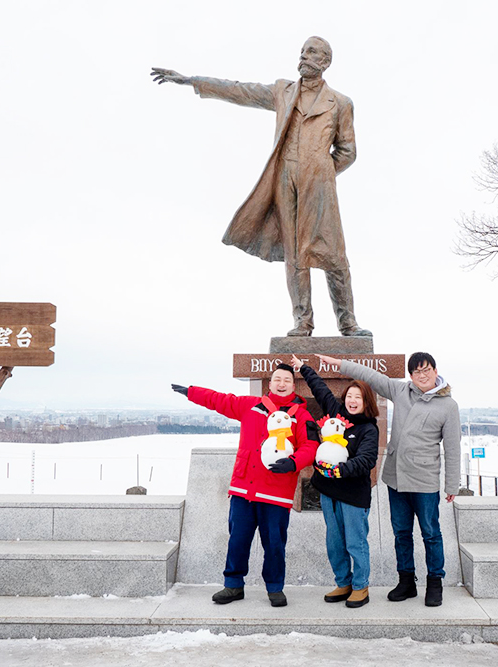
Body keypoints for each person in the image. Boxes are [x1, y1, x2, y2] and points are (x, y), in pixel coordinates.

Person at [151, 37, 371, 338]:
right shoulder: (283, 91)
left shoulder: (341, 103)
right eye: (303, 51)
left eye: (311, 52)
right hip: (284, 182)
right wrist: (192, 80)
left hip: (319, 187)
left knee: (333, 254)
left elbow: (348, 151)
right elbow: (241, 90)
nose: (303, 56)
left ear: (325, 61)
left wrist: (321, 173)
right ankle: (302, 322)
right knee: (294, 255)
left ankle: (348, 324)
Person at [316, 352, 460, 607]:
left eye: (426, 370)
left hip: (424, 479)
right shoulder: (402, 391)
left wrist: (451, 484)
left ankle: (435, 581)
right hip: (396, 477)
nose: (422, 375)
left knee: (430, 533)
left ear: (436, 371)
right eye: (416, 372)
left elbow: (452, 447)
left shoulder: (448, 406)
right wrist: (339, 364)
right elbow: (370, 376)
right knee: (401, 532)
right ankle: (406, 581)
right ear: (411, 376)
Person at [171, 364, 318, 607]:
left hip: (276, 493)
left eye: (286, 380)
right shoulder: (251, 406)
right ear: (269, 384)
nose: (281, 384)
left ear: (294, 386)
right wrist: (192, 392)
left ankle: (274, 588)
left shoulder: (302, 416)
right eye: (277, 379)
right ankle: (233, 585)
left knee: (274, 544)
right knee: (237, 540)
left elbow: (310, 447)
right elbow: (221, 400)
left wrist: (292, 463)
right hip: (244, 490)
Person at [290, 354, 378, 608]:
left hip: (353, 495)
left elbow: (366, 460)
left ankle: (361, 586)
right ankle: (344, 582)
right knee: (335, 542)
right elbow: (320, 390)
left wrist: (340, 470)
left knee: (355, 541)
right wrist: (303, 368)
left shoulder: (368, 429)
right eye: (349, 396)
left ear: (366, 402)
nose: (352, 401)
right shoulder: (337, 414)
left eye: (357, 398)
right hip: (329, 492)